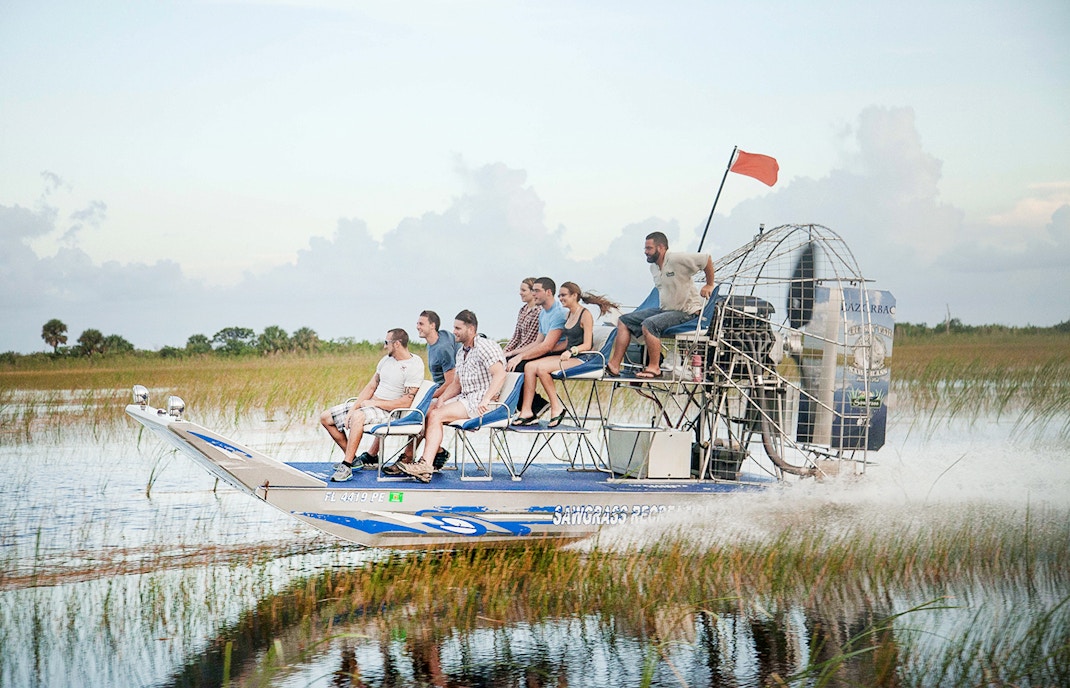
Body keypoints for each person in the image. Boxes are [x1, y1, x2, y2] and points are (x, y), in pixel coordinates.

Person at [399, 310, 507, 483]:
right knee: (428, 410)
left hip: (480, 401)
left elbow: (500, 374)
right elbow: (456, 383)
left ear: (471, 329)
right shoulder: (462, 351)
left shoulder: (486, 346)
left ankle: (425, 465)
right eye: (454, 328)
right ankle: (422, 459)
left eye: (458, 328)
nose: (454, 332)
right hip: (466, 397)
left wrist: (487, 399)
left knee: (436, 415)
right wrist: (441, 399)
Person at [606, 231, 715, 379]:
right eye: (645, 248)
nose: (646, 252)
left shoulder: (677, 259)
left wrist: (709, 284)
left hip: (687, 312)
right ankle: (614, 365)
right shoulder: (654, 268)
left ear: (661, 247)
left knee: (649, 324)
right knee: (624, 320)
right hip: (666, 310)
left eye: (649, 248)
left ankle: (654, 367)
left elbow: (706, 259)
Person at [321, 329, 425, 481]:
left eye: (386, 343)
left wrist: (374, 403)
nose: (384, 346)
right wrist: (354, 407)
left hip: (389, 411)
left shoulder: (413, 365)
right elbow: (371, 386)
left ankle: (347, 465)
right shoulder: (386, 360)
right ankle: (354, 459)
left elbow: (406, 401)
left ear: (396, 344)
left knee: (358, 417)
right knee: (326, 418)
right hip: (371, 406)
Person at [513, 282, 620, 427]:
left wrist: (571, 351)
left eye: (564, 295)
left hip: (583, 357)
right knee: (530, 367)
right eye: (560, 296)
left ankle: (556, 408)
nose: (561, 298)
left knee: (542, 369)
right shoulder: (569, 314)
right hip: (568, 354)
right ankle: (527, 411)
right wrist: (551, 349)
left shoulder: (585, 315)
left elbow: (587, 344)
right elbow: (568, 341)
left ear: (574, 295)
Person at [504, 276, 566, 415]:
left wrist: (519, 356)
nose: (533, 294)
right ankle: (525, 407)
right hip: (546, 350)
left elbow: (547, 346)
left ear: (548, 292)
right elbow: (538, 342)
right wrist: (513, 354)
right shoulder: (544, 313)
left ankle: (534, 407)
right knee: (507, 363)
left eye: (536, 291)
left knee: (518, 366)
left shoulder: (558, 314)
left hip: (557, 353)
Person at [502, 277, 540, 356]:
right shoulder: (523, 310)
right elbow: (516, 336)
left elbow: (529, 340)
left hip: (529, 352)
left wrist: (512, 353)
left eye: (524, 290)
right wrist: (504, 351)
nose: (520, 293)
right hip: (519, 350)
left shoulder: (538, 312)